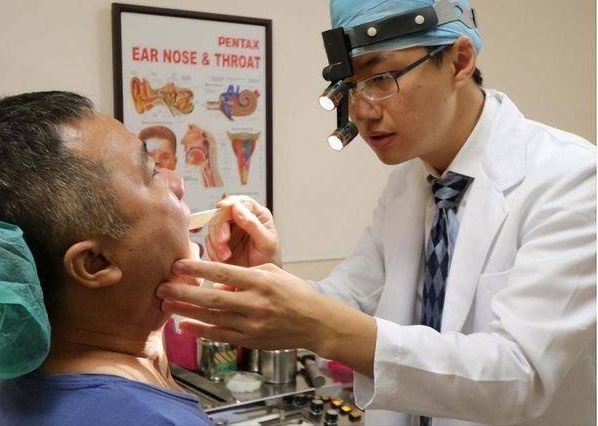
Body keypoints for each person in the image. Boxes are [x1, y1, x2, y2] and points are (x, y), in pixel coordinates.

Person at [155, 1, 596, 425]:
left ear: (459, 61)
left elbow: (518, 375)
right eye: (349, 88)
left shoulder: (570, 178)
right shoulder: (410, 182)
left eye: (381, 77)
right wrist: (271, 278)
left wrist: (319, 324)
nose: (362, 112)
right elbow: (351, 298)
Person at [0, 91, 212, 425]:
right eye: (151, 172)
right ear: (96, 263)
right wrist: (290, 333)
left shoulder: (11, 394)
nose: (177, 184)